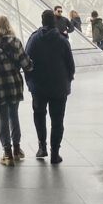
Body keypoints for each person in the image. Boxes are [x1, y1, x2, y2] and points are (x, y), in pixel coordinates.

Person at [0, 15, 33, 166]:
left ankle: (7, 154)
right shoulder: (16, 42)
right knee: (13, 116)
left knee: (2, 119)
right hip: (14, 86)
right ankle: (17, 149)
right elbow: (26, 64)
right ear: (8, 25)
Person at [26, 9, 75, 163]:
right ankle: (55, 153)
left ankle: (42, 147)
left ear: (42, 22)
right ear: (54, 22)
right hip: (59, 87)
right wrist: (68, 79)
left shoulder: (33, 39)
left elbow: (27, 62)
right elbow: (70, 65)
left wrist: (30, 82)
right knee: (57, 120)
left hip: (38, 87)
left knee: (39, 115)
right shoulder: (62, 40)